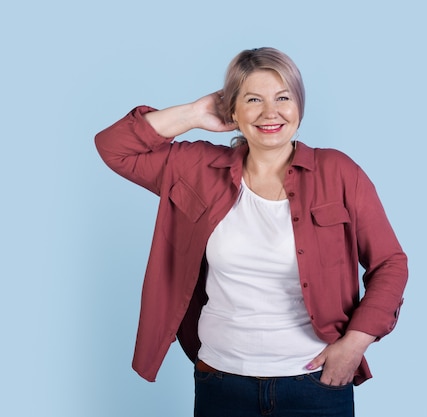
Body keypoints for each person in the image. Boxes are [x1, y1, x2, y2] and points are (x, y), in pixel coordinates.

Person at [95, 47, 408, 417]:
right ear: (232, 110)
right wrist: (194, 113)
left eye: (282, 98)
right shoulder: (196, 168)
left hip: (315, 385)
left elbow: (390, 263)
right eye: (253, 99)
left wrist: (355, 344)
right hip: (222, 384)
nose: (270, 112)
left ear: (299, 105)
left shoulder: (338, 172)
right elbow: (114, 148)